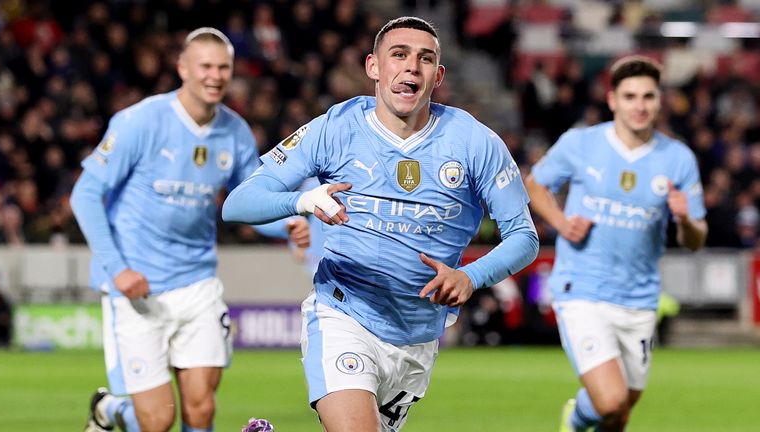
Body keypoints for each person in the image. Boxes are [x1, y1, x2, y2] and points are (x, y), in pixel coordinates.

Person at [223, 16, 539, 432]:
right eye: (399, 55)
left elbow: (525, 237)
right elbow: (238, 203)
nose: (412, 67)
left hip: (417, 336)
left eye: (425, 59)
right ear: (373, 67)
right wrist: (302, 200)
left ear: (438, 75)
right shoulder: (335, 128)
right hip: (343, 313)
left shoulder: (474, 142)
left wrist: (471, 277)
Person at [70, 27, 309, 432]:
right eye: (206, 67)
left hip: (197, 283)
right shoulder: (140, 121)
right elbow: (84, 195)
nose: (215, 76)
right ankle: (110, 411)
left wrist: (287, 223)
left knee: (201, 410)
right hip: (136, 285)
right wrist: (117, 269)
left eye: (223, 68)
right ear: (183, 68)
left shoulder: (234, 132)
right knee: (158, 420)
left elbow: (247, 203)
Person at [524, 55, 707, 432]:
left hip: (640, 298)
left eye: (648, 97)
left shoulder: (678, 158)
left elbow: (695, 240)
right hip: (583, 290)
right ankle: (574, 421)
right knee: (610, 399)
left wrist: (685, 218)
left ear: (660, 101)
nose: (639, 106)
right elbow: (535, 184)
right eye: (630, 96)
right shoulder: (581, 143)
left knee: (620, 410)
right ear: (612, 100)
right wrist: (560, 221)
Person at [0, 268, 13, 348]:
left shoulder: (0, 296)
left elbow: (7, 311)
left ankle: (3, 344)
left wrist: (3, 317)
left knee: (4, 324)